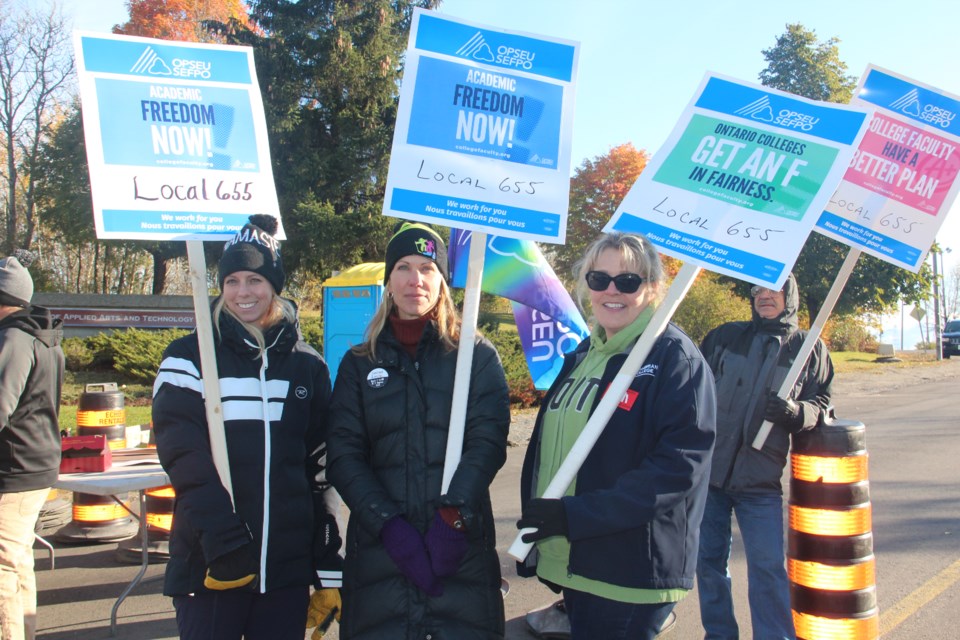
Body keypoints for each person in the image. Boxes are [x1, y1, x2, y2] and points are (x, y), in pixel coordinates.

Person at [516, 232, 716, 640]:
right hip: (577, 562)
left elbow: (678, 470)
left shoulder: (674, 360)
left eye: (628, 281)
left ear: (654, 287)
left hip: (627, 572)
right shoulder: (584, 354)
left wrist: (575, 516)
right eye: (599, 279)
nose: (612, 290)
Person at [152, 215, 343, 640]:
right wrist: (223, 540)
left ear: (274, 285)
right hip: (211, 563)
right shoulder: (188, 358)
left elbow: (320, 467)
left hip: (285, 572)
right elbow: (183, 458)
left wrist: (328, 561)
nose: (243, 292)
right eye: (233, 280)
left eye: (255, 279)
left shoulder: (306, 365)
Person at [326, 221, 510, 639]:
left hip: (460, 553)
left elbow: (488, 442)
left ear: (442, 281)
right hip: (379, 555)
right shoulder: (360, 362)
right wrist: (390, 527)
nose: (415, 280)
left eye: (427, 268)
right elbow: (343, 454)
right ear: (388, 280)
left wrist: (453, 517)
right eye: (404, 267)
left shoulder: (475, 356)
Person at [696, 274, 833, 640]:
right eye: (757, 289)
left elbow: (822, 405)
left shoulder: (808, 348)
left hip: (760, 481)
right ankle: (719, 634)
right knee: (708, 564)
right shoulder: (726, 336)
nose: (764, 296)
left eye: (773, 289)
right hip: (709, 475)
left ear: (790, 295)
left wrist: (796, 412)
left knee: (768, 567)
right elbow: (694, 386)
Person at [0, 252, 64, 640]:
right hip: (37, 462)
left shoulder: (14, 339)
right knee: (18, 559)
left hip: (14, 466)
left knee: (4, 566)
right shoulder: (43, 335)